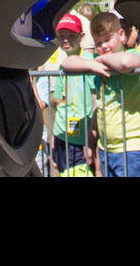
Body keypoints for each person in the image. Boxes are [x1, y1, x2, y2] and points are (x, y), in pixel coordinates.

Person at [61, 11, 140, 177]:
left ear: (121, 35)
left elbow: (126, 63)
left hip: (134, 148)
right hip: (107, 148)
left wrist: (98, 61)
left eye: (108, 39)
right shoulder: (96, 64)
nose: (103, 46)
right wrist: (92, 65)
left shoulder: (133, 53)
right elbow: (66, 63)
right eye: (98, 43)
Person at [49, 14, 96, 176]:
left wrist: (90, 137)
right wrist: (54, 137)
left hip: (82, 137)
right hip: (62, 134)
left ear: (81, 36)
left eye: (71, 36)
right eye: (62, 36)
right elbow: (59, 102)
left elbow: (96, 101)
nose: (66, 40)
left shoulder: (89, 61)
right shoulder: (62, 65)